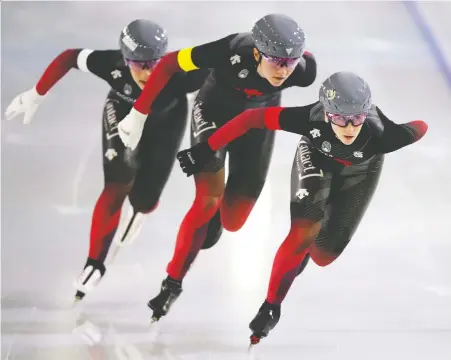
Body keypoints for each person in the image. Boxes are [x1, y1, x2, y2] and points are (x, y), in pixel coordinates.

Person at [176, 71, 428, 344]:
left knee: (323, 255)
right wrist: (204, 149)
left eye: (357, 118)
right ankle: (271, 306)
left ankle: (308, 247)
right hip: (316, 159)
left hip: (361, 172)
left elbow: (421, 126)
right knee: (303, 231)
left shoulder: (384, 135)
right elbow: (250, 120)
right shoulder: (309, 118)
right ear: (327, 113)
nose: (349, 127)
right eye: (340, 118)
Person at [115, 13, 317, 320]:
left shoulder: (303, 71)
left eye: (291, 61)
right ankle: (172, 283)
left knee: (233, 220)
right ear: (256, 52)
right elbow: (169, 63)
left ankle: (212, 219)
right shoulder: (230, 49)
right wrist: (139, 113)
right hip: (213, 111)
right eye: (276, 61)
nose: (284, 70)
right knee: (207, 199)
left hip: (257, 121)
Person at [4, 19, 210, 302]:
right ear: (125, 60)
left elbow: (220, 69)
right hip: (122, 113)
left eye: (154, 63)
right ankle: (94, 263)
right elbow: (69, 57)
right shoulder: (110, 65)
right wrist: (37, 93)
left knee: (146, 199)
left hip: (166, 122)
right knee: (117, 183)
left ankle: (138, 211)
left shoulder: (181, 73)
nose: (148, 72)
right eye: (139, 64)